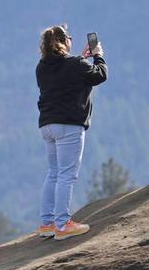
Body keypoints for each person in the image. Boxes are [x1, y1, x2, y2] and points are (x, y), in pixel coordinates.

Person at [34, 24, 107, 240]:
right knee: (67, 174)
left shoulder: (42, 67)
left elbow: (65, 72)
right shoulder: (76, 64)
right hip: (69, 125)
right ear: (64, 41)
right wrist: (98, 56)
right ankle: (63, 224)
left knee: (54, 172)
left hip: (47, 125)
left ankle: (47, 223)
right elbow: (100, 75)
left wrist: (82, 58)